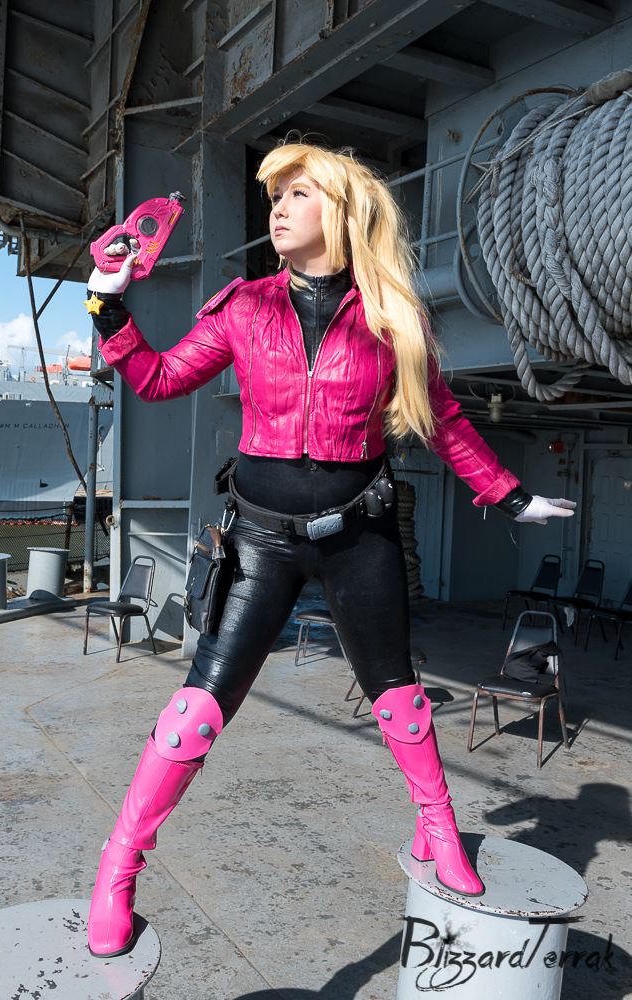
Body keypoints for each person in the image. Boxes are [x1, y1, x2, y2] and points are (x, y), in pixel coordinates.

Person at [82, 142, 576, 958]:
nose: (277, 208)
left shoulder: (394, 319)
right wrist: (108, 304)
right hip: (261, 540)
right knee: (195, 713)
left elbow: (443, 420)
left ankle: (438, 828)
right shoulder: (244, 307)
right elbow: (159, 379)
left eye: (298, 194)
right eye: (275, 196)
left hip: (360, 534)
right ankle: (118, 869)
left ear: (341, 212)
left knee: (402, 700)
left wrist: (510, 494)